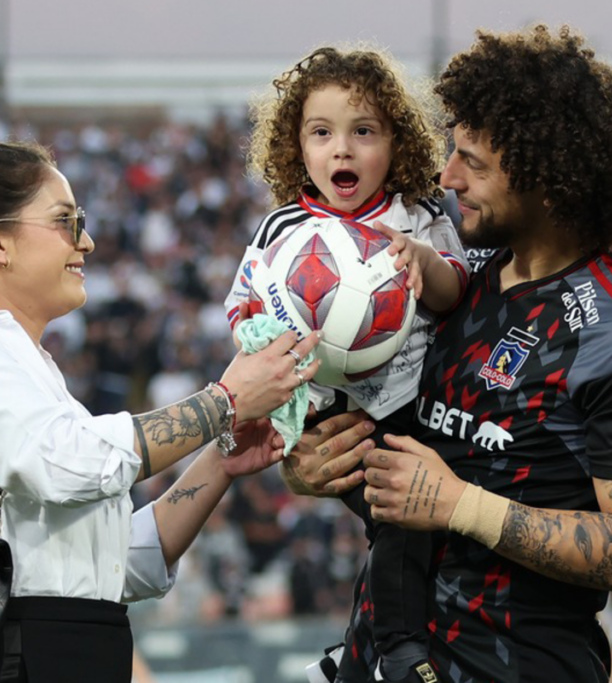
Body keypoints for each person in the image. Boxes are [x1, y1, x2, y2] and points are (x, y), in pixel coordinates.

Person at [282, 25, 612, 683]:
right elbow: (402, 449)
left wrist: (460, 505)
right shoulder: (454, 275)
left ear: (548, 177)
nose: (446, 176)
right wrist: (316, 463)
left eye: (472, 162)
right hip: (378, 656)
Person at [0, 140, 321, 683]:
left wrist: (220, 460)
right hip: (12, 662)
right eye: (65, 220)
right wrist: (223, 403)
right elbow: (73, 463)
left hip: (66, 651)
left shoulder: (21, 364)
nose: (85, 240)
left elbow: (117, 568)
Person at [225, 46, 469, 683]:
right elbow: (241, 311)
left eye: (364, 132)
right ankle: (398, 649)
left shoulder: (418, 219)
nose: (343, 150)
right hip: (329, 415)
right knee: (402, 523)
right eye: (322, 133)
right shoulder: (280, 230)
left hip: (411, 408)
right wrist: (268, 332)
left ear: (396, 144)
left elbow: (456, 292)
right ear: (296, 148)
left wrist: (424, 264)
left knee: (415, 530)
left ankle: (353, 660)